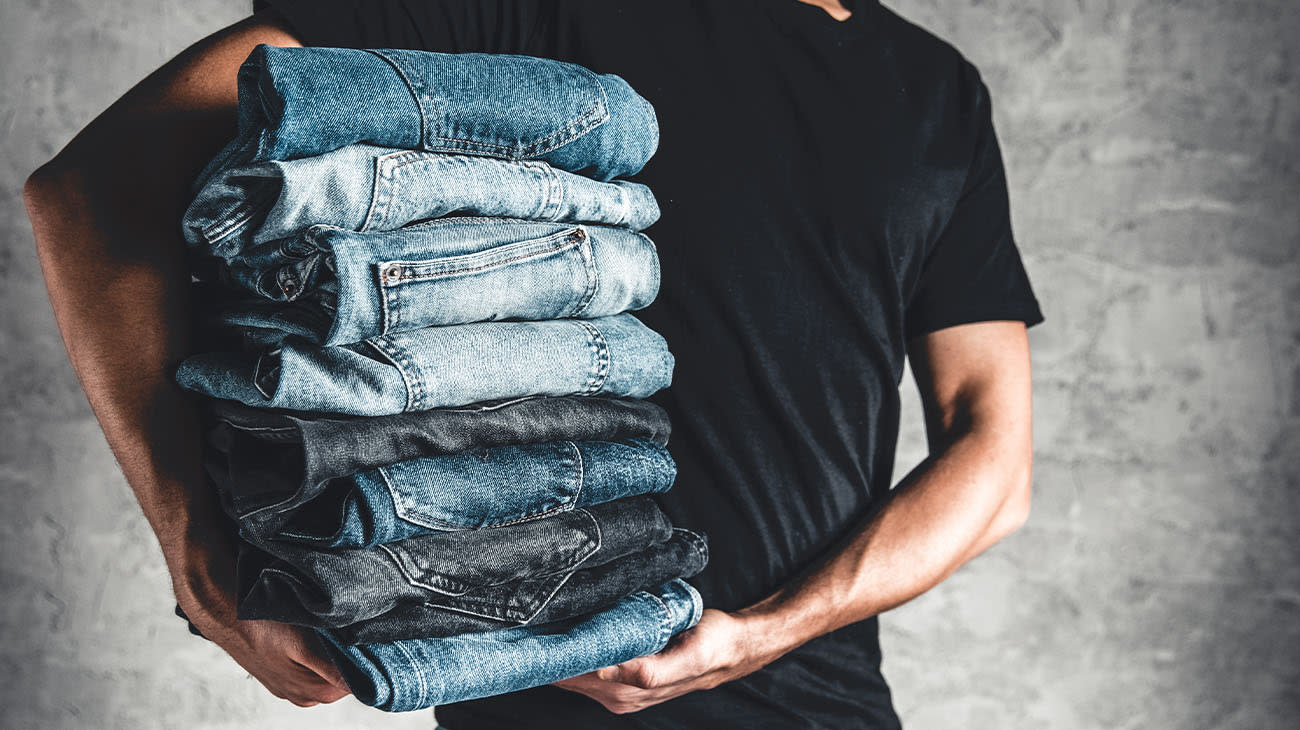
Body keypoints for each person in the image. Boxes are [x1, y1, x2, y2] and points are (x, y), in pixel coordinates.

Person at [23, 0, 1043, 727]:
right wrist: (206, 567)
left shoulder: (933, 94)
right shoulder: (530, 9)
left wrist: (767, 631)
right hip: (538, 699)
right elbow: (96, 186)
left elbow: (993, 459)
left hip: (830, 702)